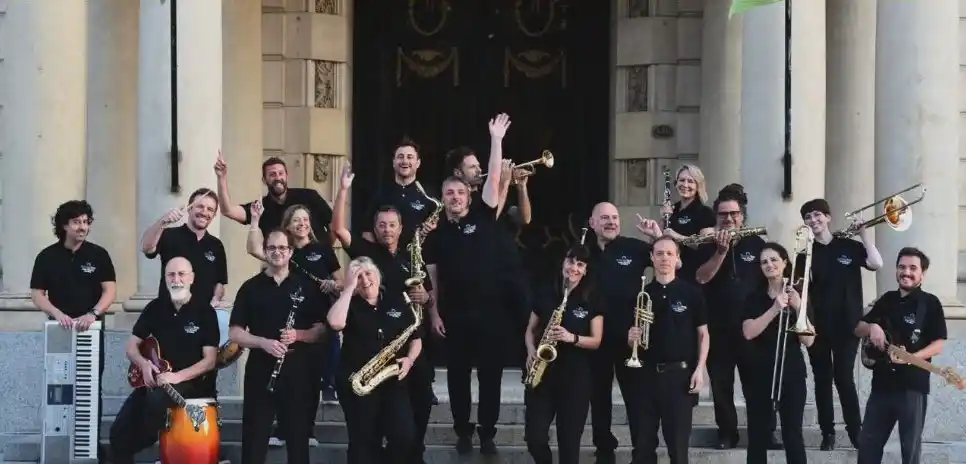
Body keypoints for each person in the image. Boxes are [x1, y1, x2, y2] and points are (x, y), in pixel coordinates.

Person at [332, 164, 438, 463]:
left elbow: (428, 296)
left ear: (401, 228)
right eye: (382, 225)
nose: (387, 230)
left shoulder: (411, 256)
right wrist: (343, 190)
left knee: (416, 411)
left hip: (408, 341)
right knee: (372, 427)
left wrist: (426, 297)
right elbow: (338, 230)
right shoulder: (366, 251)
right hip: (375, 349)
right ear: (375, 228)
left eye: (392, 225)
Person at [424, 113, 512, 455]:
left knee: (490, 376)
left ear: (468, 195)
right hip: (455, 315)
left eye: (460, 192)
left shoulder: (483, 217)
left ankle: (487, 433)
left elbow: (493, 181)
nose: (455, 197)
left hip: (490, 313)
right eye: (449, 193)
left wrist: (496, 140)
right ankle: (463, 430)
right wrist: (434, 314)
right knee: (458, 377)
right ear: (443, 197)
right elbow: (432, 278)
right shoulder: (436, 235)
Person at [228, 229, 328, 464]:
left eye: (282, 248)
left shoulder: (306, 286)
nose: (277, 252)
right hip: (260, 370)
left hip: (298, 371)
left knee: (298, 442)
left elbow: (322, 331)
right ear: (265, 252)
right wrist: (262, 342)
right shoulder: (250, 288)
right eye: (271, 248)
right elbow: (235, 332)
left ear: (291, 252)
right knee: (254, 439)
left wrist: (299, 335)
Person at [247, 202, 342, 447]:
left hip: (317, 321)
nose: (302, 224)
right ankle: (281, 430)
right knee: (283, 379)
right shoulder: (284, 251)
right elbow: (253, 248)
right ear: (287, 225)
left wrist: (332, 285)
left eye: (305, 219)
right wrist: (255, 221)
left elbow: (340, 282)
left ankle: (306, 430)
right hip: (287, 321)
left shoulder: (323, 249)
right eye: (296, 220)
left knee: (311, 379)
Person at [108, 258, 219, 464]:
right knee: (117, 433)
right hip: (154, 382)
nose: (176, 280)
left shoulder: (205, 312)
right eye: (171, 275)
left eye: (181, 274)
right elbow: (131, 346)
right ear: (165, 279)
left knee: (155, 404)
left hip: (190, 385)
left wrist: (176, 377)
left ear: (192, 278)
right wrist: (143, 364)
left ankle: (148, 437)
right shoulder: (155, 308)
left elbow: (209, 361)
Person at [29, 200, 117, 458]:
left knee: (90, 388)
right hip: (59, 331)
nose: (82, 227)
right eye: (77, 222)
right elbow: (37, 294)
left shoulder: (99, 255)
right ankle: (56, 448)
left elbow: (110, 290)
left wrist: (93, 314)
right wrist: (57, 314)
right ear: (64, 225)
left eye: (86, 222)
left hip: (91, 330)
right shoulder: (47, 256)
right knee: (57, 388)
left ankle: (90, 447)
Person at [694, 184, 777, 449]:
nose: (728, 218)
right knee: (721, 385)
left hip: (753, 328)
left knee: (759, 385)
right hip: (718, 327)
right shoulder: (707, 245)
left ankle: (764, 433)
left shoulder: (758, 244)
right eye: (723, 214)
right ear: (716, 217)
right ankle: (727, 433)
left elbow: (771, 280)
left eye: (734, 214)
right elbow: (701, 277)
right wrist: (720, 251)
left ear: (742, 216)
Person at [797, 198, 882, 449]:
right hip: (817, 327)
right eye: (808, 217)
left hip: (848, 326)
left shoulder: (849, 246)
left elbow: (876, 263)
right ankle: (828, 433)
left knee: (844, 378)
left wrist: (864, 234)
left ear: (828, 217)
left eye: (817, 215)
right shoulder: (805, 254)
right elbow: (802, 290)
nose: (813, 220)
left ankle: (856, 432)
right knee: (822, 379)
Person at [855, 247, 947, 464]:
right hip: (881, 387)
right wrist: (872, 327)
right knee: (867, 448)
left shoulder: (930, 303)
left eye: (913, 268)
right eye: (902, 267)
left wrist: (911, 357)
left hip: (912, 388)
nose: (906, 272)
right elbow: (858, 328)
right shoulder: (887, 299)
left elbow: (938, 345)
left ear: (923, 273)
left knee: (910, 451)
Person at [327, 257, 423, 464]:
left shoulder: (396, 301)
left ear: (378, 276)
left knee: (404, 435)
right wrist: (348, 288)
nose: (364, 280)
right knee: (363, 442)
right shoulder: (348, 304)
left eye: (368, 273)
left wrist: (409, 360)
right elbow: (335, 323)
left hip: (392, 381)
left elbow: (415, 338)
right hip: (359, 382)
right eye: (358, 276)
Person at [585, 201, 659, 463]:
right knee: (599, 397)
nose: (611, 222)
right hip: (595, 338)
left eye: (615, 218)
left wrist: (657, 237)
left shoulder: (634, 247)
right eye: (605, 218)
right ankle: (604, 449)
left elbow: (673, 262)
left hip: (630, 339)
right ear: (592, 223)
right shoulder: (583, 251)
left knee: (637, 399)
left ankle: (643, 452)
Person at [524, 245, 603, 464]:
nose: (574, 268)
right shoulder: (546, 293)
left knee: (569, 445)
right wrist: (530, 350)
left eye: (580, 264)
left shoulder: (592, 298)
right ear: (563, 263)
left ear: (585, 270)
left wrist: (571, 337)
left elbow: (596, 340)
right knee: (534, 438)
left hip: (575, 379)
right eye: (570, 262)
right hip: (542, 374)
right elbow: (530, 330)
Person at [741, 243, 815, 464]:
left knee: (793, 435)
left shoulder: (799, 295)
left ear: (784, 262)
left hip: (791, 372)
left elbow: (809, 340)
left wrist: (798, 307)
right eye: (764, 262)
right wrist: (775, 308)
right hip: (759, 373)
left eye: (774, 259)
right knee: (757, 435)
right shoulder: (754, 297)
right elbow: (748, 332)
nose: (769, 265)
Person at [141, 187, 228, 309]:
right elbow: (146, 248)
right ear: (189, 208)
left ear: (214, 215)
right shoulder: (170, 235)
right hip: (170, 312)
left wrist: (215, 300)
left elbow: (219, 282)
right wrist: (163, 222)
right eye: (200, 206)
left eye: (210, 209)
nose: (204, 212)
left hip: (202, 315)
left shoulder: (216, 245)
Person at [215, 154, 334, 241]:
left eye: (281, 173)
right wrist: (221, 178)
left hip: (320, 263)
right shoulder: (260, 207)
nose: (278, 178)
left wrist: (326, 250)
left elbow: (333, 224)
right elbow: (227, 210)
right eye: (272, 174)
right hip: (284, 265)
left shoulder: (309, 196)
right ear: (264, 180)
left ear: (286, 176)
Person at [359, 137, 434, 246]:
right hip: (385, 255)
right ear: (393, 162)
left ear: (418, 163)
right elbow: (367, 231)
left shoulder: (428, 195)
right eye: (400, 157)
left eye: (410, 157)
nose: (405, 161)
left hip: (418, 255)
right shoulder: (380, 194)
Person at [657, 164, 716, 282]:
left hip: (692, 274)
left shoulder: (705, 213)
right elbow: (659, 241)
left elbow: (705, 245)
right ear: (676, 183)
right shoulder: (672, 210)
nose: (685, 185)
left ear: (698, 185)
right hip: (670, 274)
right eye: (682, 180)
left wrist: (676, 236)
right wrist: (662, 219)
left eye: (690, 181)